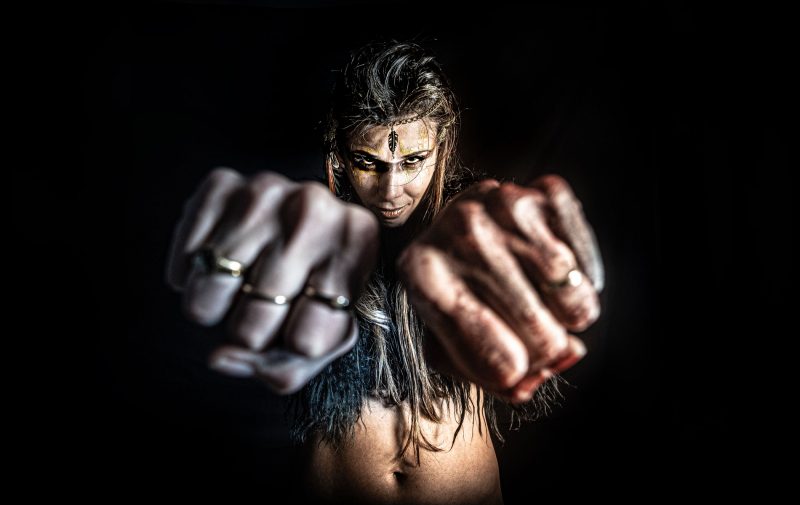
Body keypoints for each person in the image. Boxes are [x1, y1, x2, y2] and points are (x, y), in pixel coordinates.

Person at [166, 40, 603, 505]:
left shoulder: (467, 229)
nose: (392, 189)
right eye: (367, 162)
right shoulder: (314, 241)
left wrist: (518, 248)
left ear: (442, 144)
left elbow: (485, 224)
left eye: (412, 161)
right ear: (338, 152)